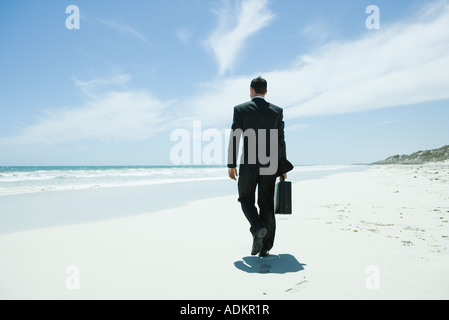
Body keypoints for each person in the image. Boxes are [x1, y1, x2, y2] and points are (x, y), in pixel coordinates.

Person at [227, 77, 289, 257]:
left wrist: (231, 164)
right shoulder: (277, 111)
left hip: (248, 163)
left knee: (245, 198)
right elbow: (280, 141)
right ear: (266, 92)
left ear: (251, 90)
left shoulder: (240, 110)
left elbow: (235, 137)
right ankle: (265, 247)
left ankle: (257, 228)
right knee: (266, 203)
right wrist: (282, 167)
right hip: (270, 164)